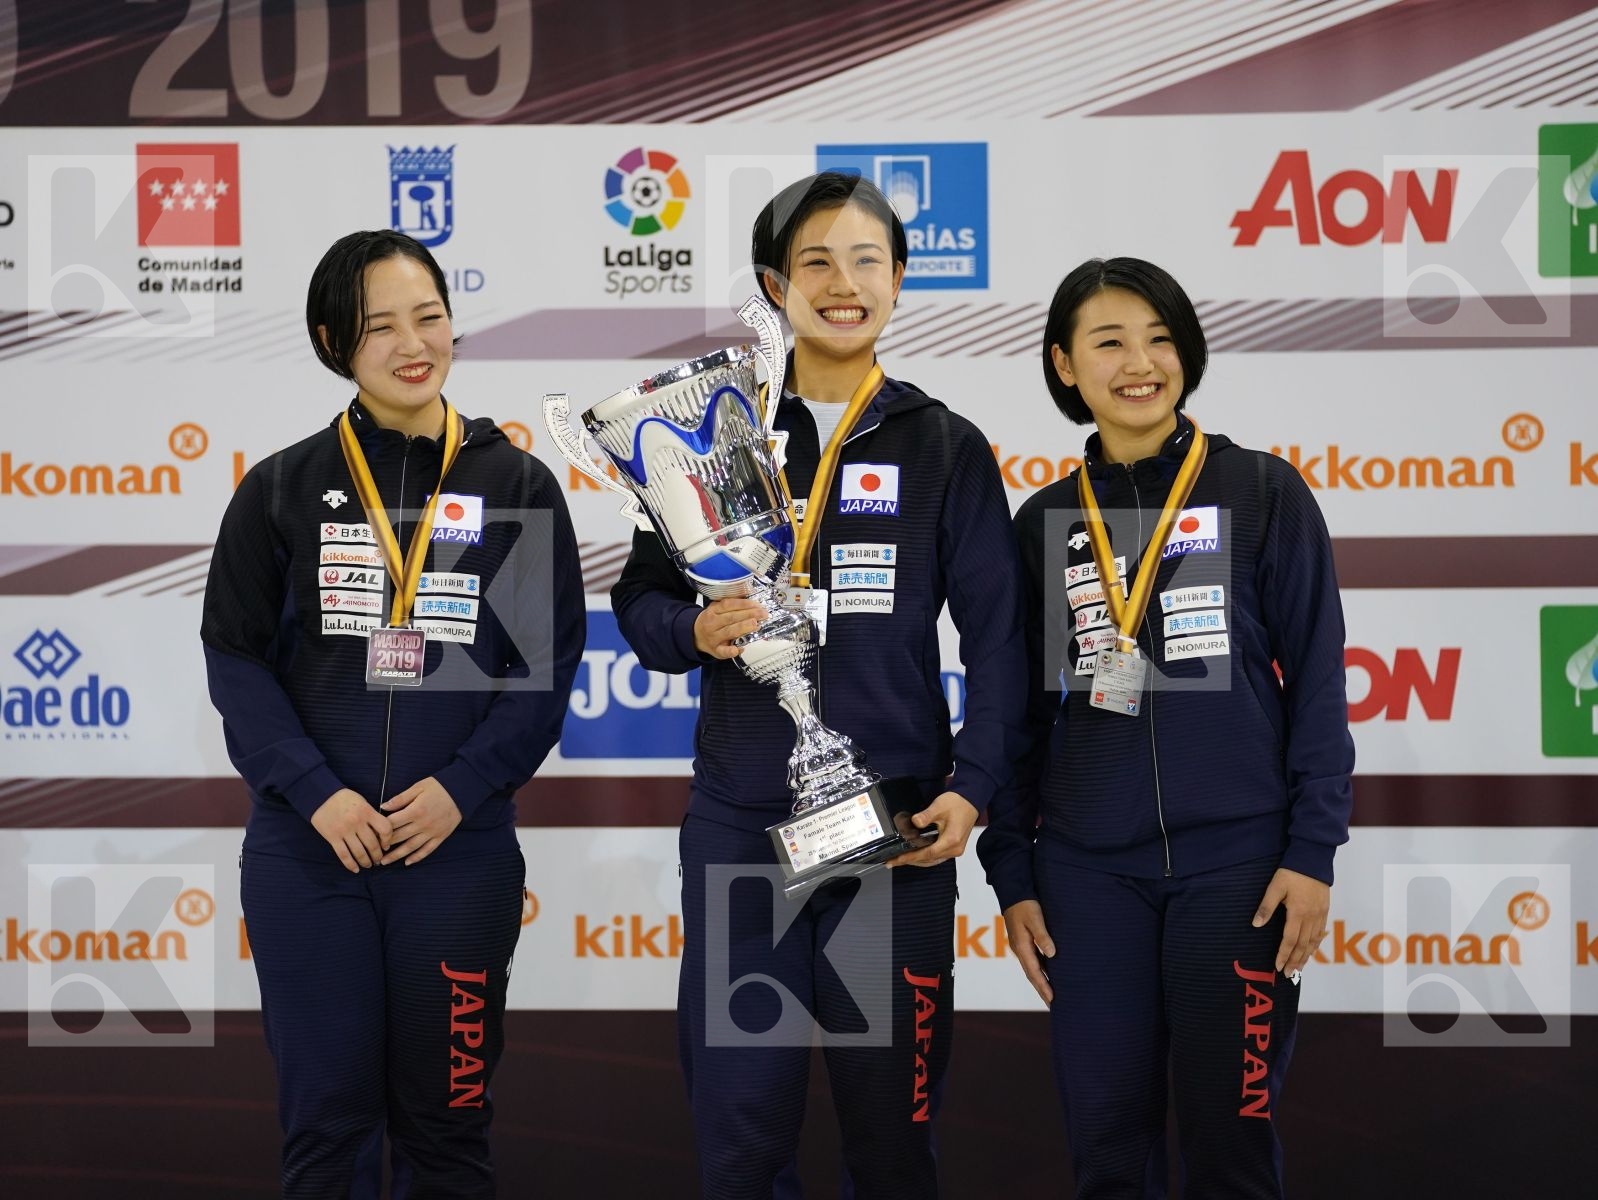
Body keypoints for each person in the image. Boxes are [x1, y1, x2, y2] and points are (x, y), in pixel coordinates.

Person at [611, 171, 1026, 1198]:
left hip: (892, 837)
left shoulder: (943, 445)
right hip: (741, 834)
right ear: (772, 283)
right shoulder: (705, 430)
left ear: (897, 279)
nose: (843, 283)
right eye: (815, 263)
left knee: (889, 1140)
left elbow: (1002, 642)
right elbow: (637, 602)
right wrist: (690, 627)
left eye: (866, 260)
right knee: (742, 1134)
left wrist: (971, 788)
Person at [201, 229, 584, 1198]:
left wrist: (460, 789)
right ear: (335, 339)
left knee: (446, 1131)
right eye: (380, 327)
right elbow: (234, 658)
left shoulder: (518, 485)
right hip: (308, 855)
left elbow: (544, 669)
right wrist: (314, 793)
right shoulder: (279, 489)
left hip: (452, 858)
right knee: (325, 1131)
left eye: (429, 317)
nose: (413, 343)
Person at [978, 257, 1354, 1198]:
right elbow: (1014, 717)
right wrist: (1014, 874)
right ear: (1065, 366)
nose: (1139, 362)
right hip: (1087, 877)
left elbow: (1317, 683)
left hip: (1240, 873)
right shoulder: (1046, 523)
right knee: (1108, 1148)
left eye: (1160, 338)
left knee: (1229, 1147)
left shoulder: (1263, 493)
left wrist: (1312, 853)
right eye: (1109, 342)